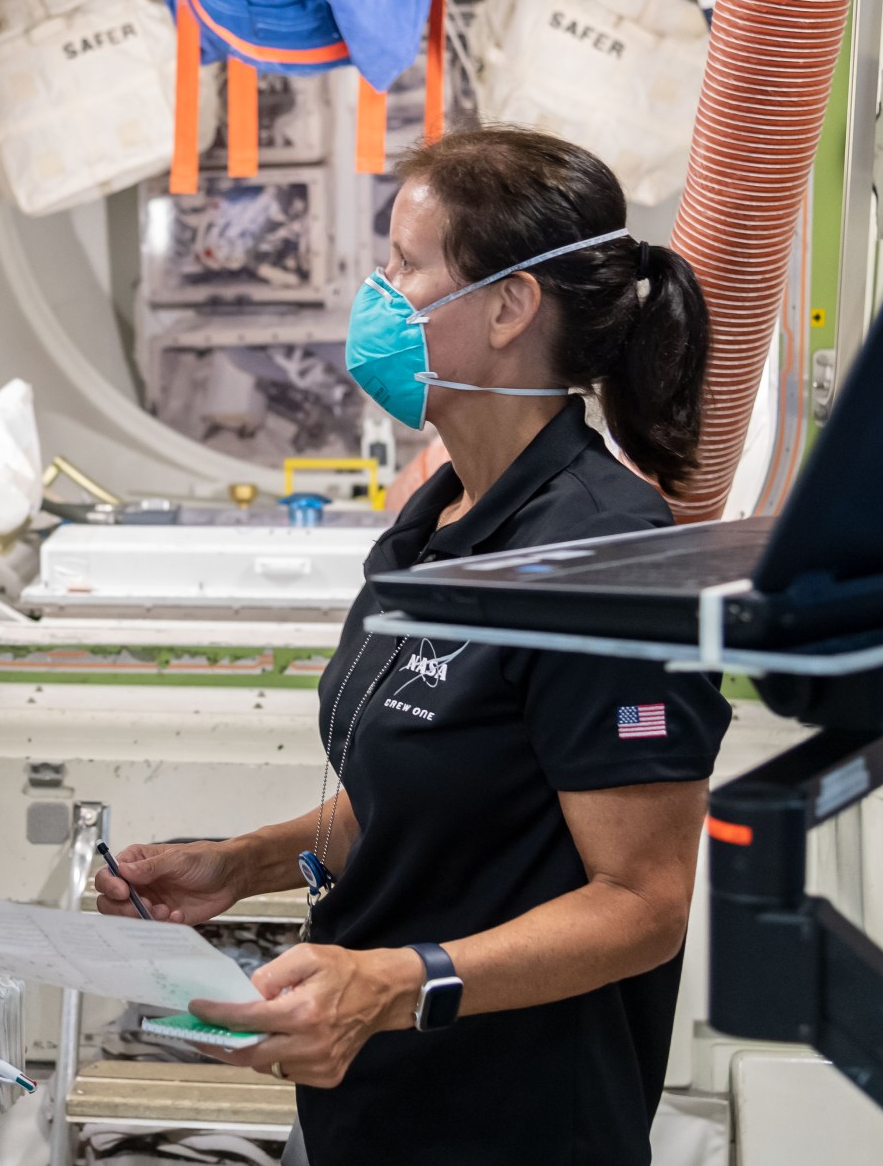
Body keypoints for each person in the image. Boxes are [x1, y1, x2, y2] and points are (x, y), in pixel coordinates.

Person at [96, 126, 731, 1165]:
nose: (374, 292)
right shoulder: (432, 522)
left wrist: (392, 984)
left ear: (506, 305)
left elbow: (640, 905)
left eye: (401, 263)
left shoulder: (599, 556)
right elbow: (431, 793)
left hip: (514, 1120)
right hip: (371, 1105)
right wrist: (244, 862)